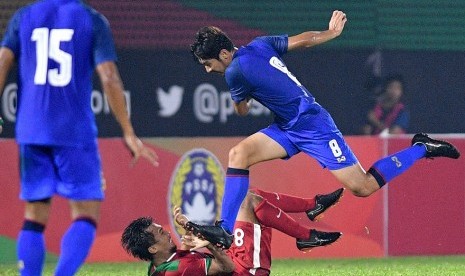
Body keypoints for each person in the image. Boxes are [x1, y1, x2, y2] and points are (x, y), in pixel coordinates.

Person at [187, 10, 460, 248]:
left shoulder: (235, 72)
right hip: (287, 126)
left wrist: (241, 97)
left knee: (362, 186)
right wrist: (331, 32)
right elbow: (304, 40)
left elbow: (242, 110)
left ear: (224, 53)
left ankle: (421, 148)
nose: (209, 71)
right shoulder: (259, 45)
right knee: (239, 155)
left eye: (209, 64)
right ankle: (224, 228)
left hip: (312, 125)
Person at [0, 1, 158, 275]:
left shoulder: (24, 16)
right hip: (73, 131)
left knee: (35, 214)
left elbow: (2, 61)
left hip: (30, 129)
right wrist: (128, 132)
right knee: (86, 212)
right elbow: (109, 77)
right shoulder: (91, 19)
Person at [121, 187, 344, 275]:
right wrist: (208, 244)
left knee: (252, 196)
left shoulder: (157, 266)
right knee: (250, 201)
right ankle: (306, 235)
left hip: (238, 262)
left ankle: (312, 207)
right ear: (151, 247)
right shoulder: (182, 268)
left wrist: (189, 231)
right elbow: (226, 267)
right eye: (160, 233)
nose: (167, 232)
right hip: (245, 270)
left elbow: (187, 255)